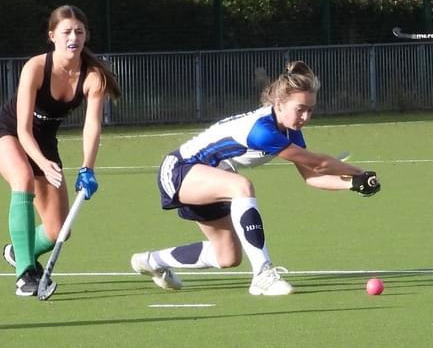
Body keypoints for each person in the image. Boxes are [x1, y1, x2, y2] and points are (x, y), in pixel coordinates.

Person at [129, 61, 380, 296]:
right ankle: (262, 274)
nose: (305, 117)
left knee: (226, 257)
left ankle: (151, 261)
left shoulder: (291, 131)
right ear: (279, 104)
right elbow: (319, 163)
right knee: (242, 186)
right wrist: (359, 172)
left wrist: (352, 184)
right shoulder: (262, 130)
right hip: (180, 170)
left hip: (212, 179)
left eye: (310, 110)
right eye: (300, 109)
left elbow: (311, 177)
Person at [0, 5, 121, 297]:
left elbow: (92, 126)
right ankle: (25, 275)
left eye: (79, 32)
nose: (74, 37)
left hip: (45, 141)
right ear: (52, 36)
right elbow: (22, 129)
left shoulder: (93, 76)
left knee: (59, 230)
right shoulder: (35, 67)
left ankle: (18, 251)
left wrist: (88, 167)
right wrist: (43, 165)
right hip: (7, 132)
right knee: (22, 178)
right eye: (67, 31)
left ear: (86, 36)